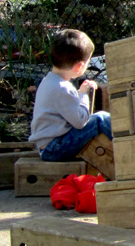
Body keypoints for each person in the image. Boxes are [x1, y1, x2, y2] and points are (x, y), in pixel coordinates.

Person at [29, 30, 112, 162]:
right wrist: (83, 94)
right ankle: (129, 143)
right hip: (55, 148)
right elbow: (80, 121)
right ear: (79, 66)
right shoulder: (63, 88)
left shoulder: (49, 81)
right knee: (100, 119)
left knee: (99, 119)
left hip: (49, 147)